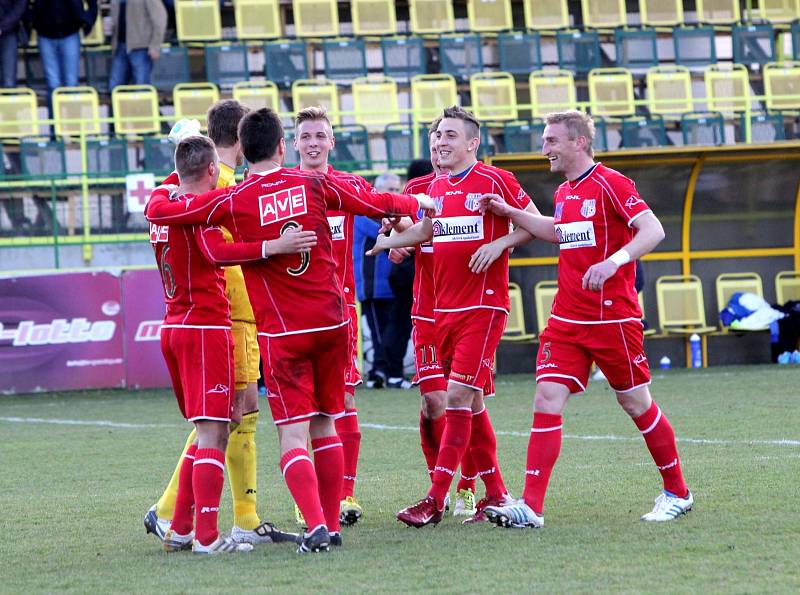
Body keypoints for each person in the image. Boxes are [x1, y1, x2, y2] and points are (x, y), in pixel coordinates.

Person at [145, 107, 434, 552]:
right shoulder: (316, 182)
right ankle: (331, 523)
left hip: (282, 333)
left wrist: (262, 249)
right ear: (284, 146)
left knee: (291, 433)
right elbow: (375, 202)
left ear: (245, 150)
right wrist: (417, 204)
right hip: (334, 322)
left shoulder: (234, 197)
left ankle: (316, 525)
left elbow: (167, 212)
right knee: (327, 424)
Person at [480, 110, 693, 529]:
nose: (545, 150)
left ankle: (678, 492)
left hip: (613, 319)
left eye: (552, 141)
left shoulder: (611, 183)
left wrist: (614, 262)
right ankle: (531, 507)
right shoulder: (565, 193)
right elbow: (557, 230)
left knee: (635, 403)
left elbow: (653, 230)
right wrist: (509, 210)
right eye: (545, 141)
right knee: (546, 398)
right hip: (566, 319)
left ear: (578, 142)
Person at [145, 135, 311, 553]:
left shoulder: (165, 204)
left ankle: (181, 528)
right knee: (214, 433)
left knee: (213, 428)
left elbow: (158, 204)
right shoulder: (200, 213)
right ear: (210, 172)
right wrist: (275, 246)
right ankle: (204, 536)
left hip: (177, 326)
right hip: (206, 328)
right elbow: (220, 253)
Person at [382, 106, 540, 528]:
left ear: (472, 143)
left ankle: (442, 496)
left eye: (450, 135)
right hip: (431, 310)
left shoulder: (494, 180)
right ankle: (496, 492)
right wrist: (397, 243)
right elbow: (417, 236)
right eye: (436, 135)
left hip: (480, 307)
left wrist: (501, 243)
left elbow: (536, 223)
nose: (440, 142)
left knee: (455, 397)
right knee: (451, 401)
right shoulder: (420, 188)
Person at [292, 106, 373, 526]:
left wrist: (397, 240)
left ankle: (344, 493)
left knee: (344, 400)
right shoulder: (282, 190)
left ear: (331, 142)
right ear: (294, 144)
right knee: (302, 409)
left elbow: (388, 216)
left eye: (320, 136)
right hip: (293, 315)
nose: (313, 143)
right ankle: (307, 496)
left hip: (341, 314)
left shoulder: (350, 186)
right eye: (305, 136)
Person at [352, 175, 398, 390]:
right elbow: (381, 232)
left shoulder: (392, 217)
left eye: (397, 188)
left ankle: (388, 371)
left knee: (392, 329)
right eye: (390, 188)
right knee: (380, 331)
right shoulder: (363, 216)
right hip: (372, 287)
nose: (395, 192)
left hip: (392, 285)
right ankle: (379, 371)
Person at [30, 0, 97, 96]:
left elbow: (92, 4)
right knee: (52, 83)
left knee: (71, 83)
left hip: (70, 32)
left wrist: (87, 19)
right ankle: (56, 111)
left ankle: (70, 111)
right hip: (45, 34)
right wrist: (31, 18)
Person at [108, 0, 167, 91]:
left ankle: (141, 105)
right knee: (115, 87)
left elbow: (160, 18)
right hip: (120, 46)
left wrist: (155, 45)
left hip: (141, 47)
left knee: (141, 87)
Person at [0, 0, 27, 87]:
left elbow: (19, 7)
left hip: (9, 33)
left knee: (9, 81)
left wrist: (2, 26)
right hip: (8, 31)